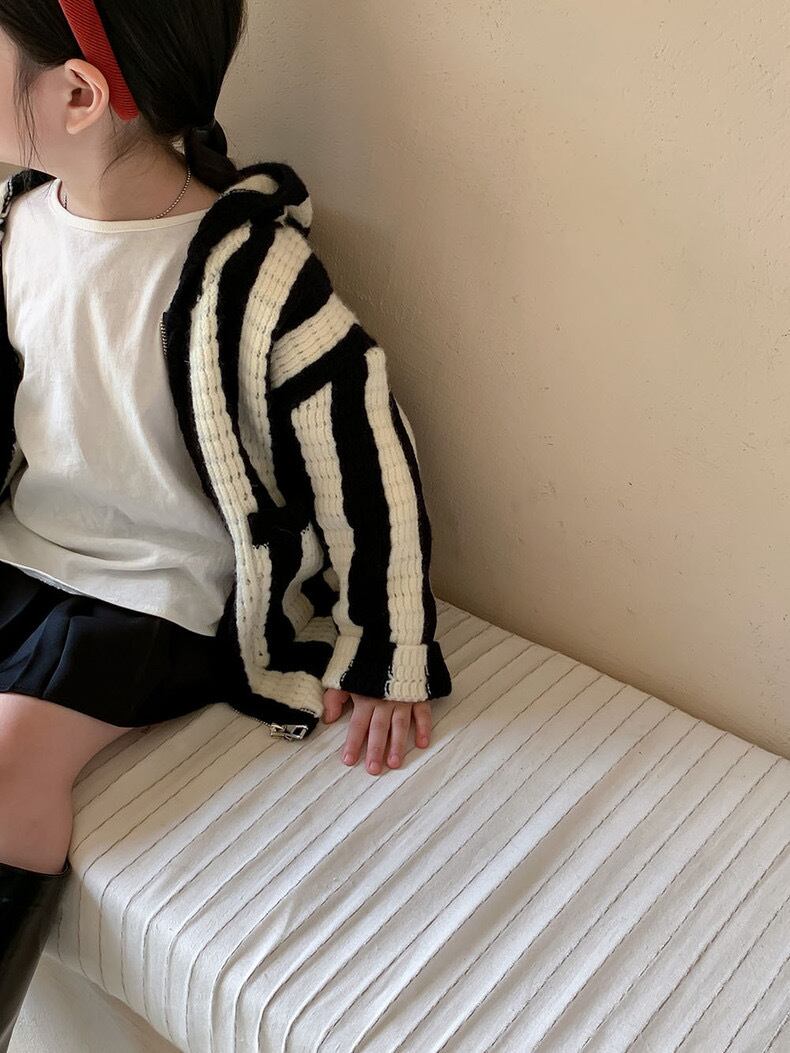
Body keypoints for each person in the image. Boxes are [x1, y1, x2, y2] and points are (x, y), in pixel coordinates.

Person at [0, 1, 452, 1047]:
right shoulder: (20, 218)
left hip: (160, 592)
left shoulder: (248, 271)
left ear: (79, 93)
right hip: (31, 546)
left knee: (12, 760)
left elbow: (365, 449)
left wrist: (388, 644)